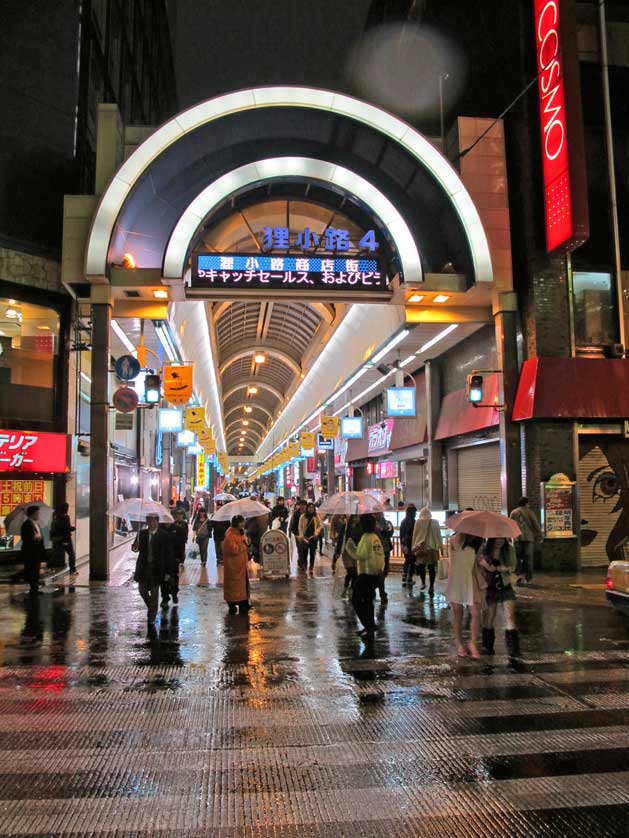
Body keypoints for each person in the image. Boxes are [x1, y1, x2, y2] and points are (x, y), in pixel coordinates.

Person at [479, 538, 520, 656]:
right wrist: (486, 565)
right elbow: (479, 567)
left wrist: (502, 568)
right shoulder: (485, 549)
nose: (499, 540)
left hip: (505, 586)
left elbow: (513, 566)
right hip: (490, 587)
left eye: (502, 538)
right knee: (490, 616)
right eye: (496, 538)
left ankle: (513, 649)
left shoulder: (509, 549)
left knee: (510, 617)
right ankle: (487, 647)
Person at [446, 532, 484, 658]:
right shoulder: (454, 540)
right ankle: (458, 642)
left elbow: (478, 563)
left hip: (471, 579)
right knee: (458, 612)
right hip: (456, 578)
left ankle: (472, 643)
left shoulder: (478, 542)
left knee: (475, 612)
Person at [132, 514, 172, 623]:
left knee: (154, 593)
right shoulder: (142, 534)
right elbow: (135, 548)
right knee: (142, 590)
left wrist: (168, 572)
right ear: (147, 522)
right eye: (149, 521)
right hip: (143, 568)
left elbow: (168, 555)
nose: (151, 524)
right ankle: (152, 607)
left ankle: (152, 617)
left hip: (157, 569)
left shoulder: (164, 536)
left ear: (158, 522)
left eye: (154, 521)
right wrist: (135, 546)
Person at [353, 514, 385, 639]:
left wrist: (351, 548)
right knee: (368, 601)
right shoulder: (375, 537)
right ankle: (369, 626)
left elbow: (361, 555)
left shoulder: (366, 538)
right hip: (375, 574)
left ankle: (368, 625)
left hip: (365, 574)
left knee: (357, 600)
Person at [509, 497, 542, 584]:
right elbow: (536, 524)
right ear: (526, 503)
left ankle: (519, 575)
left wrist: (510, 536)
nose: (529, 505)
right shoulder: (530, 512)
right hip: (528, 538)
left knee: (518, 558)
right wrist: (540, 535)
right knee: (528, 558)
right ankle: (528, 577)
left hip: (517, 538)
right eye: (528, 503)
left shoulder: (513, 512)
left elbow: (510, 525)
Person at [411, 507, 443, 596]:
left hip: (421, 548)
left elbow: (415, 535)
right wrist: (442, 548)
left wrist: (413, 547)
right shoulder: (435, 522)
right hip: (433, 549)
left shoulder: (418, 522)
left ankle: (423, 583)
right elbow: (439, 535)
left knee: (421, 566)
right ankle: (431, 586)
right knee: (431, 568)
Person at [222, 514, 250, 614]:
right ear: (238, 523)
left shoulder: (240, 533)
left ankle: (244, 603)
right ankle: (233, 604)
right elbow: (234, 550)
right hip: (234, 567)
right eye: (243, 521)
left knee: (243, 586)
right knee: (234, 586)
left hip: (241, 566)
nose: (244, 523)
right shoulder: (230, 535)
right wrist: (243, 546)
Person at [20, 505, 46, 596]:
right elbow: (25, 538)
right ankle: (33, 589)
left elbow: (40, 538)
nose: (38, 515)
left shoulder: (36, 524)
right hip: (30, 552)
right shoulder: (26, 524)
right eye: (37, 513)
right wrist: (34, 537)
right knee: (31, 570)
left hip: (37, 551)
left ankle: (35, 588)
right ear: (33, 514)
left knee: (36, 570)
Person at [50, 502, 76, 574]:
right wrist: (73, 528)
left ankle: (52, 568)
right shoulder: (65, 517)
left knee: (56, 554)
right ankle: (72, 570)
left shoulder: (56, 516)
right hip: (65, 539)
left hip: (57, 539)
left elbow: (54, 527)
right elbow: (67, 527)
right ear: (66, 508)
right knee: (71, 554)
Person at [298, 501, 323, 575]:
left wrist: (316, 532)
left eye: (312, 508)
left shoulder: (316, 516)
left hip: (313, 537)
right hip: (305, 537)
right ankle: (305, 565)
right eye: (309, 507)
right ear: (307, 508)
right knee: (304, 553)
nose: (311, 509)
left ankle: (311, 567)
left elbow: (320, 525)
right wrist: (301, 535)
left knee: (312, 553)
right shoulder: (303, 516)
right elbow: (300, 527)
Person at [376, 513, 394, 602]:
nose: (376, 515)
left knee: (385, 571)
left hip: (385, 549)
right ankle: (382, 593)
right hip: (375, 551)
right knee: (380, 572)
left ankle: (380, 590)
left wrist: (382, 529)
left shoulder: (387, 523)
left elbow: (390, 532)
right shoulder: (371, 523)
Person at [400, 504, 417, 587]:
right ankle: (409, 578)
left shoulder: (403, 521)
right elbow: (414, 534)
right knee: (412, 561)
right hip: (411, 544)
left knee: (407, 560)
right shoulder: (413, 522)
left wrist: (402, 544)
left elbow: (401, 534)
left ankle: (404, 576)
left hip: (404, 545)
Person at [290, 498, 308, 568]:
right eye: (301, 505)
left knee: (305, 548)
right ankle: (301, 561)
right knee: (300, 547)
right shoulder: (296, 514)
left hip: (306, 533)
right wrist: (292, 532)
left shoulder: (308, 513)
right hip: (297, 533)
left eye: (304, 505)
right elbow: (292, 523)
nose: (303, 506)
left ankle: (304, 560)